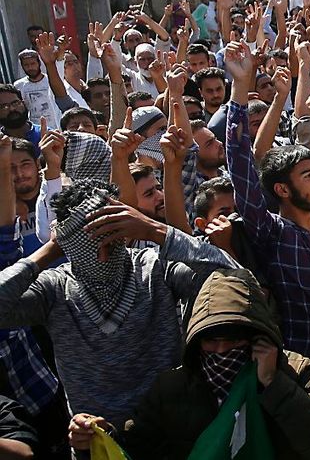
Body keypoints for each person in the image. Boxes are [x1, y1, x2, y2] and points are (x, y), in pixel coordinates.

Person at [0, 177, 237, 428]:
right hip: (95, 440)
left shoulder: (154, 268)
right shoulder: (54, 288)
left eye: (111, 243)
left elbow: (232, 279)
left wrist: (155, 231)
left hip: (172, 431)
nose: (103, 257)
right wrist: (49, 250)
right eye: (89, 249)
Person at [222, 42, 310, 417]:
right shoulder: (273, 234)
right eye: (308, 175)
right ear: (282, 190)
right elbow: (240, 164)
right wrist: (240, 88)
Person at [67, 269, 310, 459]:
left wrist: (274, 384)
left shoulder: (292, 371)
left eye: (233, 341)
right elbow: (134, 449)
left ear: (257, 337)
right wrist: (95, 438)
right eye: (211, 342)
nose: (221, 351)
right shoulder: (173, 387)